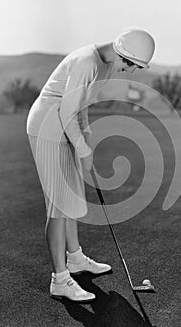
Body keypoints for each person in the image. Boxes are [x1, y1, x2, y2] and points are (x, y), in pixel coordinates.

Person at [26, 28, 155, 302]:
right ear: (122, 53)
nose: (131, 71)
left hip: (65, 126)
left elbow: (80, 104)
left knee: (70, 197)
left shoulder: (105, 63)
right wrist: (83, 151)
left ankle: (75, 259)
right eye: (131, 65)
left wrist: (86, 135)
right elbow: (65, 110)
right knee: (58, 205)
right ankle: (59, 280)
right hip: (47, 127)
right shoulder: (87, 62)